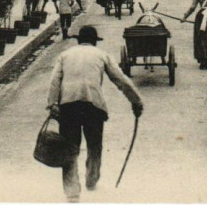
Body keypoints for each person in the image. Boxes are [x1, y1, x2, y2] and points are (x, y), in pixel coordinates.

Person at [47, 26, 143, 202]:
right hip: (93, 106)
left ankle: (72, 192)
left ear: (78, 40)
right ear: (94, 41)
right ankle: (91, 180)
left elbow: (54, 80)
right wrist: (136, 101)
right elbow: (120, 80)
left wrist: (52, 103)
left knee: (69, 148)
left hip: (69, 106)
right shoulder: (102, 55)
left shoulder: (65, 55)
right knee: (95, 145)